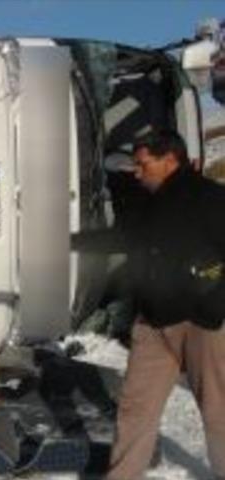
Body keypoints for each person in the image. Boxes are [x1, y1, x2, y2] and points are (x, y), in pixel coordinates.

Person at [106, 129, 225, 479]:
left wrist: (215, 300)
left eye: (143, 165)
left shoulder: (211, 198)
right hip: (153, 325)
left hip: (203, 325)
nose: (137, 172)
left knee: (217, 410)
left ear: (170, 160)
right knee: (134, 408)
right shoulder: (145, 202)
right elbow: (125, 242)